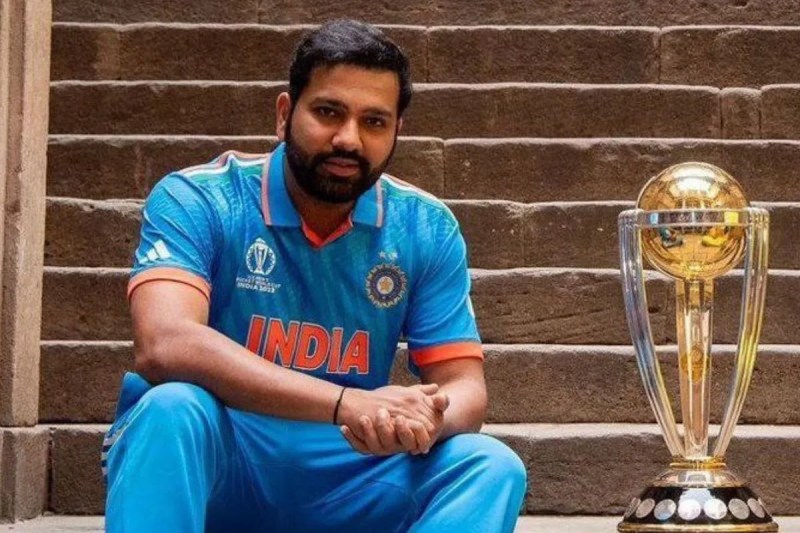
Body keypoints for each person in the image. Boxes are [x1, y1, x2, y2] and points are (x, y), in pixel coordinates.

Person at [103, 19, 527, 533]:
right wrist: (346, 402)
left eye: (374, 122)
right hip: (224, 458)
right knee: (171, 407)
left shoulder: (425, 226)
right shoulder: (200, 198)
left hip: (348, 465)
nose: (348, 139)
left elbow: (465, 387)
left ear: (396, 130)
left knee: (490, 466)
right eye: (328, 112)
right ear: (285, 115)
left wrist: (423, 418)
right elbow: (164, 342)